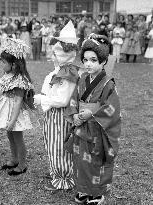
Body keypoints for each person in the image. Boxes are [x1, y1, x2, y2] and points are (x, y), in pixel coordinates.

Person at [64, 34, 121, 205]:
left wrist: (92, 114)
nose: (88, 64)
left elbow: (112, 108)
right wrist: (74, 113)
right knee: (80, 160)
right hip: (81, 127)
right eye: (85, 59)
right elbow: (74, 98)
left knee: (95, 161)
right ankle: (83, 190)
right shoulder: (82, 79)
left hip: (97, 129)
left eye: (93, 60)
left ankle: (96, 194)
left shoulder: (108, 83)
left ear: (103, 61)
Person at [34, 21, 80, 191]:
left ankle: (64, 178)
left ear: (62, 55)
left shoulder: (67, 73)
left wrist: (42, 99)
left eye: (55, 53)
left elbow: (62, 100)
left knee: (59, 146)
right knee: (53, 144)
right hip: (54, 115)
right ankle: (57, 172)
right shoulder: (60, 70)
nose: (52, 56)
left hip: (61, 117)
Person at [0, 38, 35, 176]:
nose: (2, 65)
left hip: (15, 112)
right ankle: (14, 159)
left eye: (4, 62)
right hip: (7, 109)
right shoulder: (8, 76)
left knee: (17, 136)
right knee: (9, 134)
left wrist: (12, 120)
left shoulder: (19, 80)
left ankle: (22, 164)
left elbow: (18, 102)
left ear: (13, 64)